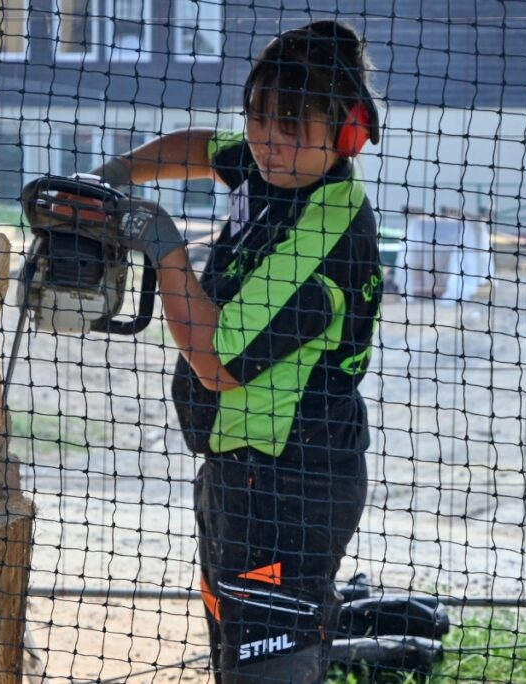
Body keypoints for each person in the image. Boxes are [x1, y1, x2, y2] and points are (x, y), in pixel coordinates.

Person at [85, 19, 382, 682]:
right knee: (231, 649)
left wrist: (161, 243)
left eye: (290, 128)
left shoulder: (322, 238)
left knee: (266, 663)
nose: (266, 143)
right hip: (236, 473)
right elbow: (204, 146)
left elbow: (215, 363)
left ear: (346, 132)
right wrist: (115, 174)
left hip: (289, 487)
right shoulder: (273, 168)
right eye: (257, 120)